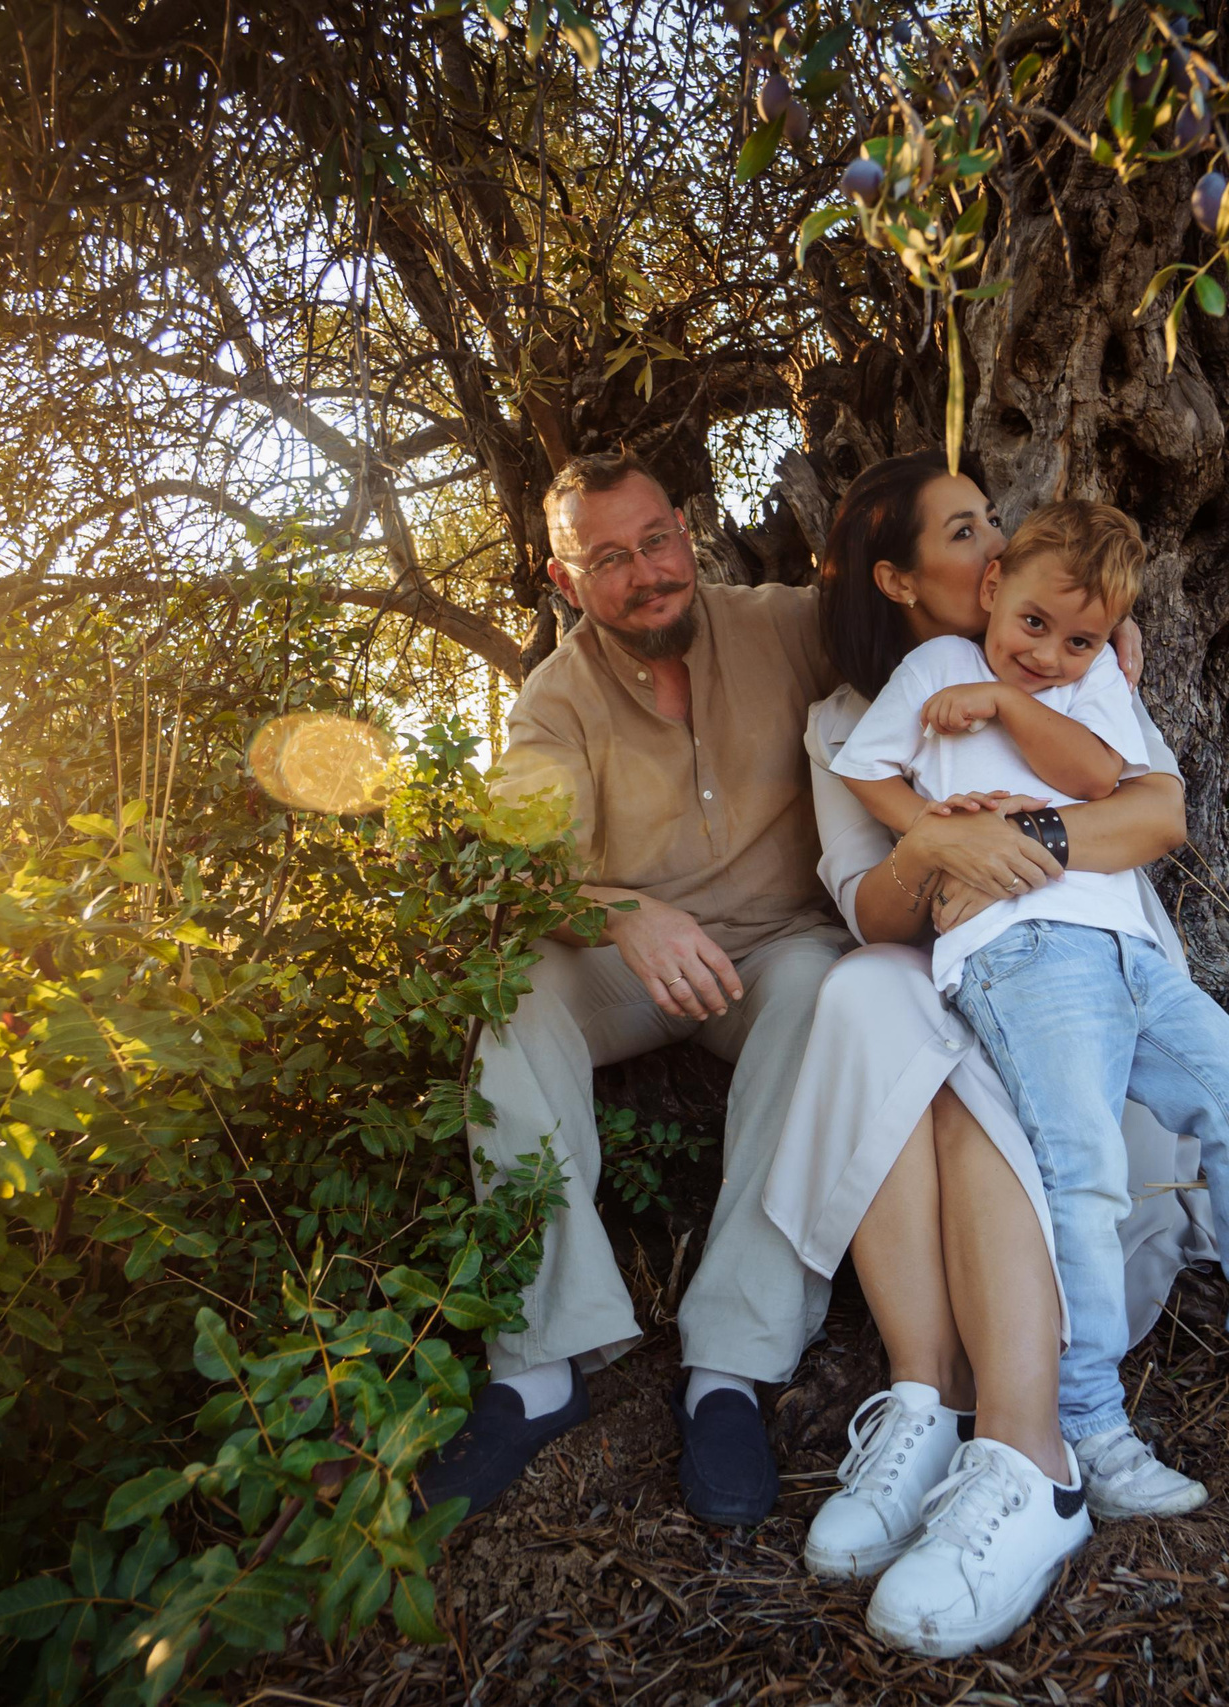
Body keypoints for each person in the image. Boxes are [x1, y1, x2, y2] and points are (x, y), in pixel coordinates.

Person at [829, 498, 1229, 1507]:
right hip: (1022, 949)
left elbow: (1106, 779)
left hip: (1130, 953)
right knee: (1083, 1171)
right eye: (1033, 624)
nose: (1048, 653)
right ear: (994, 587)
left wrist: (1008, 705)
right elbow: (864, 768)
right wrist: (937, 830)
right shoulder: (936, 666)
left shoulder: (1086, 683)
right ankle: (1086, 1424)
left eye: (1077, 639)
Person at [760, 455, 1217, 1659]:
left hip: (1073, 1032)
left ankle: (1032, 1456)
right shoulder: (848, 724)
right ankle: (926, 1401)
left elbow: (1153, 813)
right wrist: (931, 848)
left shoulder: (1081, 668)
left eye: (995, 524)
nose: (999, 547)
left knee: (965, 1052)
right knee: (863, 987)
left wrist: (1026, 840)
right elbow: (873, 913)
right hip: (946, 983)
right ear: (900, 581)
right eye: (965, 532)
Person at [413, 448, 855, 1529]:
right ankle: (540, 1363)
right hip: (637, 967)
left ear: (685, 531)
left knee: (825, 996)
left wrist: (1106, 630)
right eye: (607, 559)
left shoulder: (786, 624)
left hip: (775, 953)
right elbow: (522, 871)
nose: (646, 573)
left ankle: (730, 1368)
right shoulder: (553, 702)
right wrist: (617, 911)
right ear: (564, 581)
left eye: (656, 540)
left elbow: (927, 620)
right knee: (513, 999)